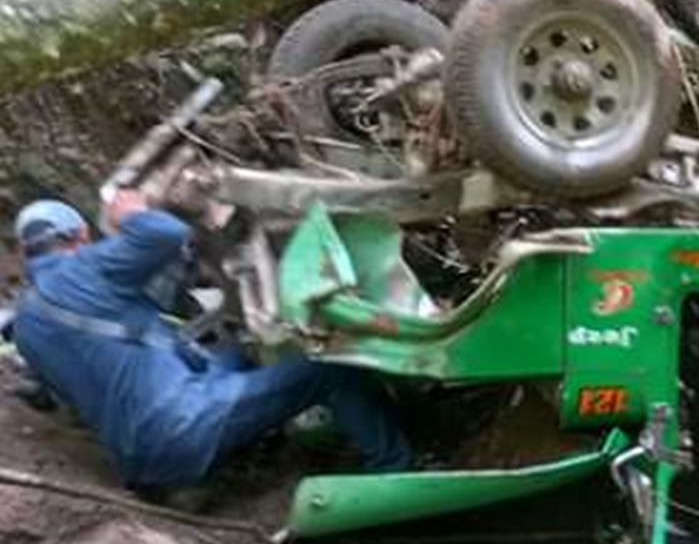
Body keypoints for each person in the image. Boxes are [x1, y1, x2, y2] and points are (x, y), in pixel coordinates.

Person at [11, 192, 412, 494]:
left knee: (237, 352)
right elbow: (164, 233)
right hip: (185, 427)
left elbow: (61, 393)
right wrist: (129, 212)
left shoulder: (25, 326)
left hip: (139, 464)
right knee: (332, 370)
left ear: (26, 252)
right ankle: (397, 470)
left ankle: (258, 449)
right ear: (80, 236)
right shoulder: (87, 268)